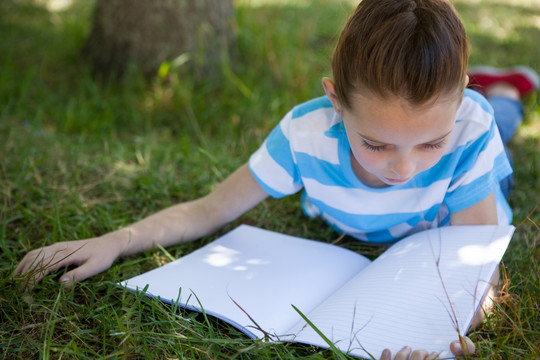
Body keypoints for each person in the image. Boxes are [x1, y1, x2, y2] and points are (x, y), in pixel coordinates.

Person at [13, 0, 539, 359]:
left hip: (453, 211)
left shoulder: (469, 129)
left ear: (456, 104)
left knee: (502, 120)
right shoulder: (304, 136)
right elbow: (206, 210)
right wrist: (114, 241)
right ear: (335, 101)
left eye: (431, 142)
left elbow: (474, 265)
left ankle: (506, 91)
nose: (405, 169)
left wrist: (445, 333)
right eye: (376, 144)